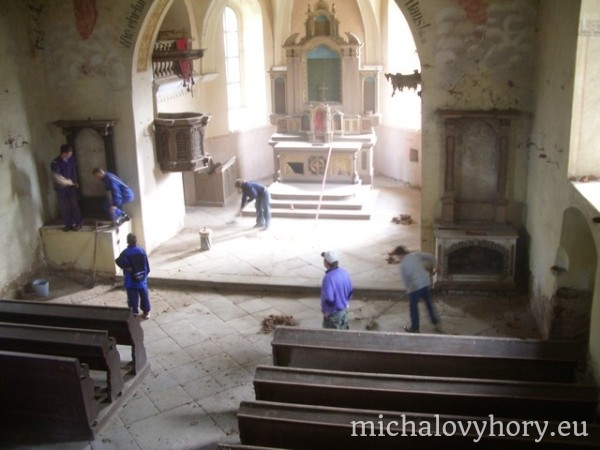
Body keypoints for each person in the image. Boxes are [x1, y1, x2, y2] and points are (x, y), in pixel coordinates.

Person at [390, 245, 441, 333]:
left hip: (415, 287)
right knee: (429, 304)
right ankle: (436, 323)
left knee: (413, 307)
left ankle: (415, 328)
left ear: (401, 254)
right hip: (425, 283)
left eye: (398, 256)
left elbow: (406, 280)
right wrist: (436, 265)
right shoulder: (415, 255)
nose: (398, 258)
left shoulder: (402, 265)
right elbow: (430, 256)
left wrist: (408, 290)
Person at [115, 233, 151, 319]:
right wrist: (145, 274)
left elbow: (118, 261)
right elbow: (146, 265)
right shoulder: (141, 250)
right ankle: (146, 312)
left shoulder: (125, 252)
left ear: (127, 241)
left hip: (130, 280)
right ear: (136, 240)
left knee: (132, 298)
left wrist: (127, 267)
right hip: (142, 279)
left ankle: (134, 313)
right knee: (144, 296)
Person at [51, 144, 83, 231]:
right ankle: (68, 224)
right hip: (61, 187)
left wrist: (75, 181)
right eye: (69, 153)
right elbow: (58, 177)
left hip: (71, 186)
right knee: (63, 206)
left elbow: (73, 171)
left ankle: (78, 223)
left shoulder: (71, 160)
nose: (70, 155)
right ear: (64, 153)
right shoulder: (55, 163)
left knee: (74, 204)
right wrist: (66, 182)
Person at [320, 250, 353, 329]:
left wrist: (327, 311)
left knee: (331, 335)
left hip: (333, 314)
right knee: (343, 333)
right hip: (344, 312)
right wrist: (345, 303)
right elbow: (350, 291)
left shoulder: (328, 278)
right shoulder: (344, 273)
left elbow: (329, 298)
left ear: (326, 263)